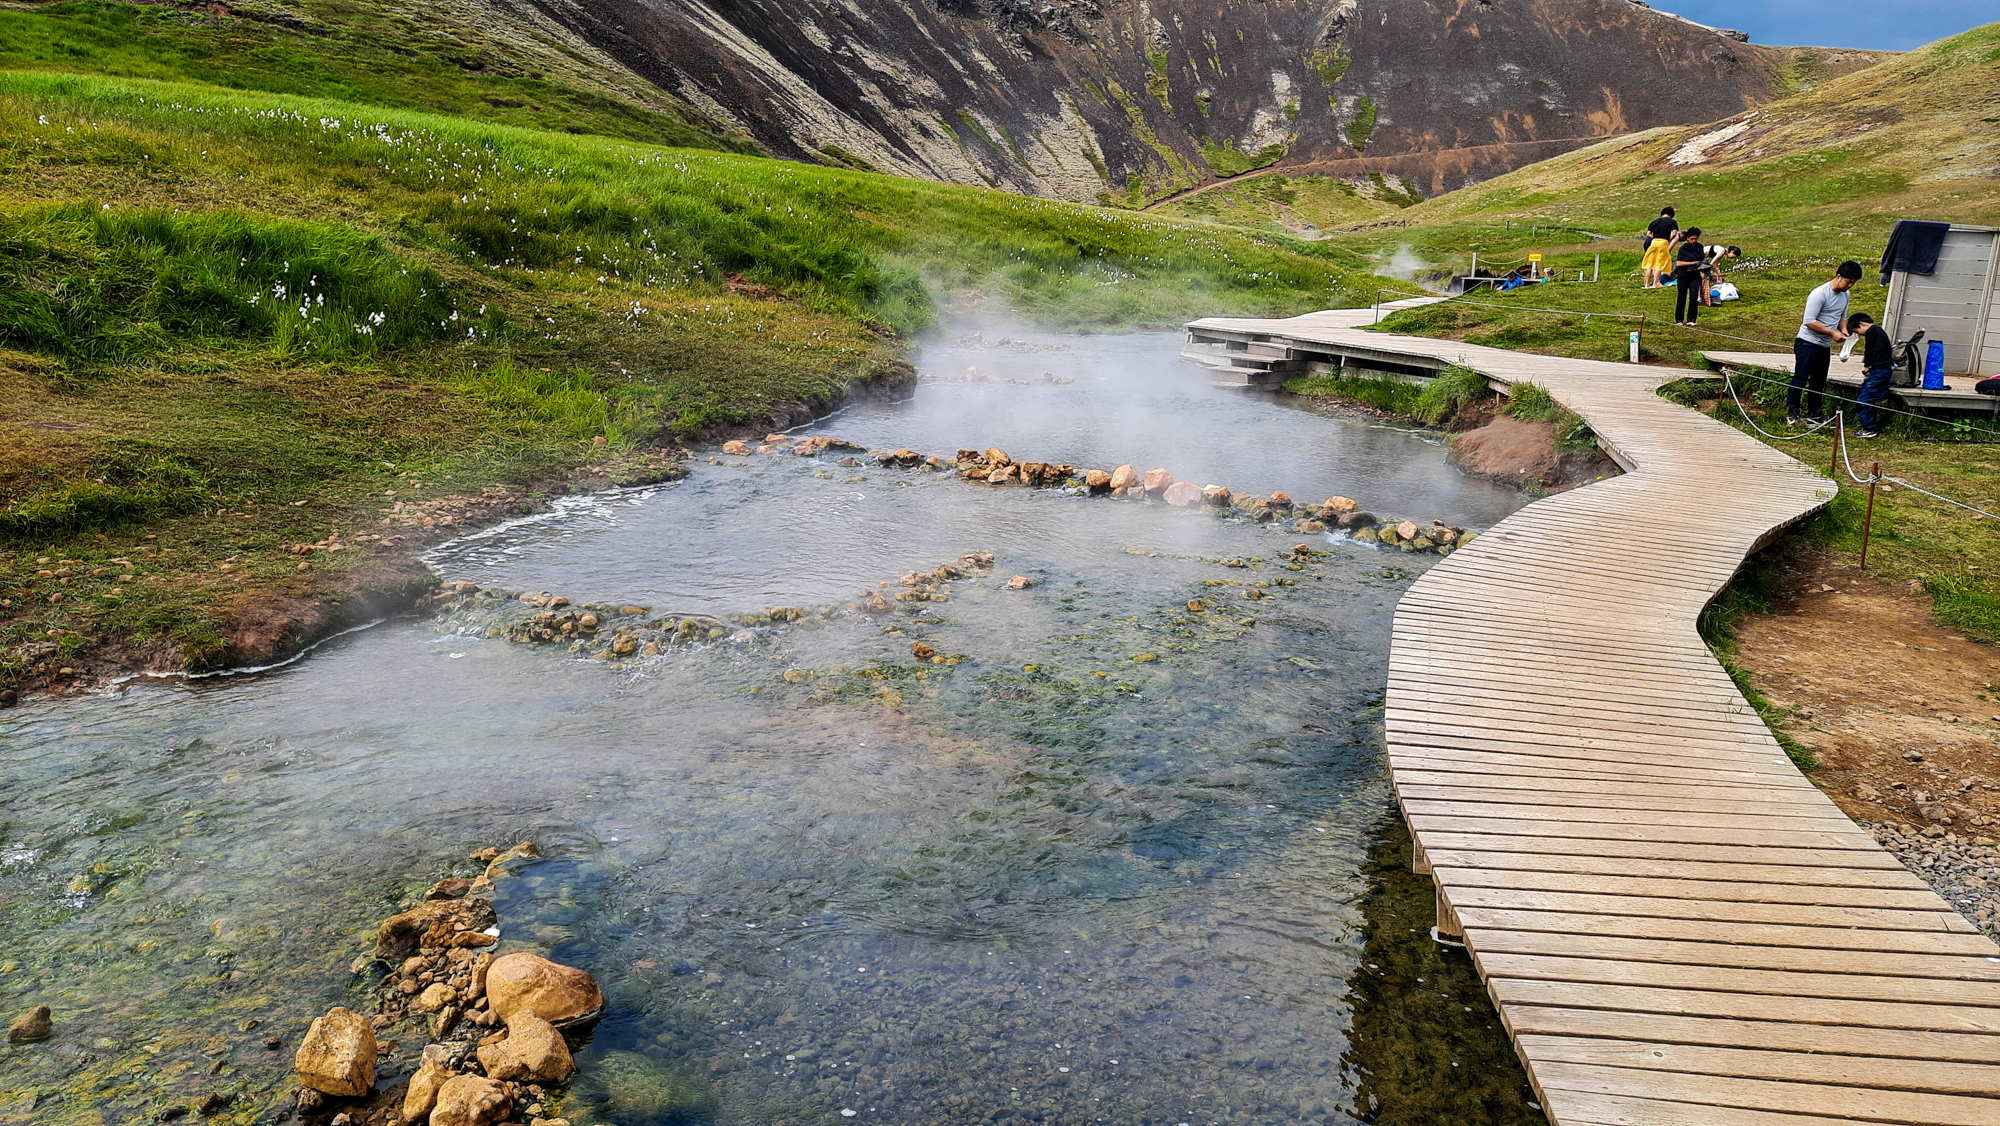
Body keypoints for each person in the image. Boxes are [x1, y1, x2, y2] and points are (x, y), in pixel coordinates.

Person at [1789, 260, 1863, 426]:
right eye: (1848, 281)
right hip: (1807, 342)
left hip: (1824, 345)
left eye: (1853, 283)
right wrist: (1831, 333)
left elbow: (1841, 316)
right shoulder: (1819, 294)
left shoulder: (1846, 295)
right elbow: (1808, 321)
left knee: (1818, 381)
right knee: (1800, 379)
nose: (1850, 285)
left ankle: (1814, 415)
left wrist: (1844, 330)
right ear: (1838, 276)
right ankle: (1792, 413)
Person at [1847, 312, 1893, 438]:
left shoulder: (1872, 332)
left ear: (1862, 324)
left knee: (1864, 398)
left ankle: (1869, 428)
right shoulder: (1879, 331)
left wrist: (1867, 368)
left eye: (1857, 330)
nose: (1859, 334)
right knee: (1870, 395)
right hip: (1884, 370)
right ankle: (1870, 426)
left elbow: (1869, 350)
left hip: (1879, 371)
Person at [1671, 227, 1706, 325]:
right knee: (1682, 297)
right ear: (1687, 238)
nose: (1694, 241)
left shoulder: (1700, 247)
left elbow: (1702, 259)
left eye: (1695, 239)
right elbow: (1679, 263)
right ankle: (1679, 319)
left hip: (1695, 275)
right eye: (1692, 239)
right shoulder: (1684, 248)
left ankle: (1691, 319)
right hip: (1684, 275)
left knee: (1694, 296)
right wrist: (1693, 263)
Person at [1640, 207, 1678, 288]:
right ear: (1671, 215)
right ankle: (1656, 283)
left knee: (1650, 263)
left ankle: (1646, 284)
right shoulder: (1672, 221)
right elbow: (1675, 233)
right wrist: (1668, 239)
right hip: (1663, 243)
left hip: (1653, 242)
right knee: (1659, 263)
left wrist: (1655, 237)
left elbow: (1648, 234)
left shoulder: (1654, 221)